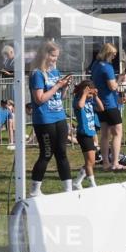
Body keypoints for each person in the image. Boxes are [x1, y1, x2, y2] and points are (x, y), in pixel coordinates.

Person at [28, 40, 73, 195]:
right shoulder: (37, 74)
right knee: (46, 153)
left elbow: (60, 96)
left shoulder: (54, 71)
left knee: (62, 152)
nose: (55, 59)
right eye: (53, 56)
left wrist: (64, 87)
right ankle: (35, 190)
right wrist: (57, 86)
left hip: (59, 116)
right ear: (45, 54)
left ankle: (68, 189)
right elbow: (39, 98)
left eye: (56, 56)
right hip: (44, 119)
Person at [91, 43, 125, 171]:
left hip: (99, 103)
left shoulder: (95, 65)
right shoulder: (107, 67)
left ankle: (105, 162)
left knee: (104, 133)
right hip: (109, 103)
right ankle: (115, 162)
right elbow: (113, 86)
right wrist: (120, 79)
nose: (115, 56)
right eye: (114, 54)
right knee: (117, 132)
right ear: (108, 53)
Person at [72, 80, 103, 188]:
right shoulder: (77, 100)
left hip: (91, 133)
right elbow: (80, 106)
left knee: (91, 161)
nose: (90, 95)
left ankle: (77, 182)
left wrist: (96, 96)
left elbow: (101, 108)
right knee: (90, 161)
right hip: (83, 134)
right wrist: (85, 94)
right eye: (88, 92)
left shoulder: (90, 101)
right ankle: (92, 184)